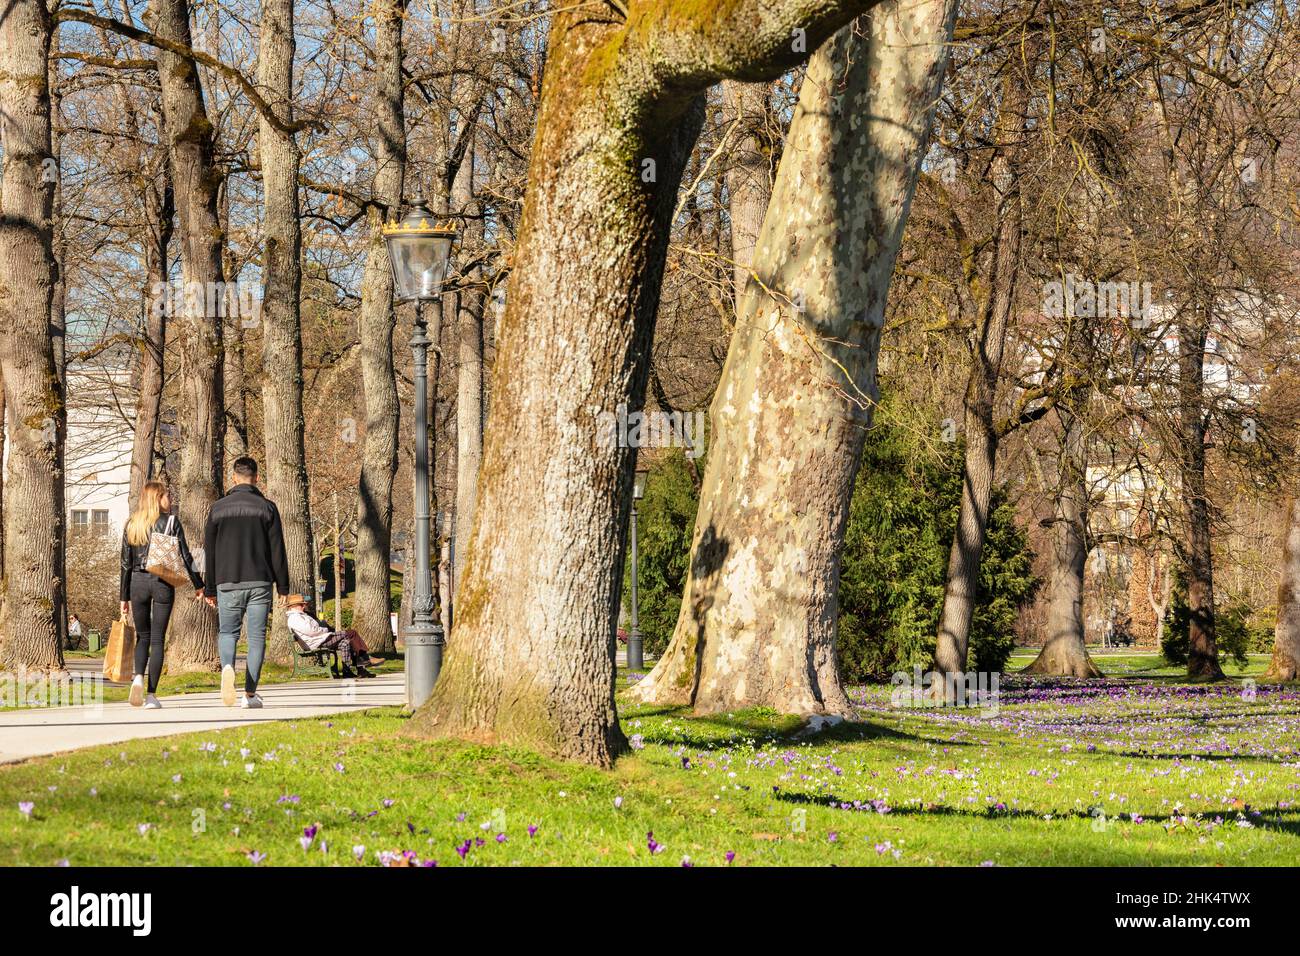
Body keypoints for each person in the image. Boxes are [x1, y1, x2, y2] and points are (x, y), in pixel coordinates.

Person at [203, 457, 290, 708]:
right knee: (256, 637)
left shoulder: (217, 508)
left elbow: (209, 551)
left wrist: (209, 587)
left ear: (233, 477)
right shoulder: (268, 508)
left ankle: (228, 666)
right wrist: (283, 585)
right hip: (260, 581)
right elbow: (278, 550)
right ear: (256, 478)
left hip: (227, 581)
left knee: (227, 632)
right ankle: (250, 694)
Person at [120, 480, 207, 708]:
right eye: (167, 495)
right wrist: (199, 584)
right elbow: (186, 556)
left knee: (143, 636)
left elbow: (125, 564)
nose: (170, 500)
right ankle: (151, 695)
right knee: (157, 639)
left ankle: (138, 677)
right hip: (161, 581)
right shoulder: (171, 522)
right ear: (157, 498)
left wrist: (123, 598)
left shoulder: (132, 524)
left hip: (137, 583)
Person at [284, 595, 382, 678]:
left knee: (346, 643)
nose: (304, 606)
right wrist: (326, 630)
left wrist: (323, 628)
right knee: (352, 633)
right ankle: (365, 660)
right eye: (302, 604)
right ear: (295, 606)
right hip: (316, 642)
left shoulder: (300, 615)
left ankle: (348, 672)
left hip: (319, 639)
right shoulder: (295, 618)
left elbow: (313, 629)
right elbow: (312, 631)